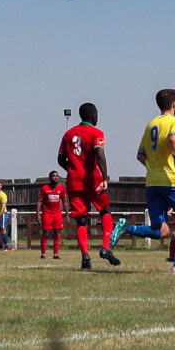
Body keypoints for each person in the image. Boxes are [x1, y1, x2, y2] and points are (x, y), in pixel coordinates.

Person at [109, 89, 175, 275]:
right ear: (174, 104)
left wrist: (153, 168)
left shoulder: (150, 125)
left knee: (162, 230)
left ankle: (127, 228)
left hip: (153, 182)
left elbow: (140, 155)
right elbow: (174, 139)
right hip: (171, 181)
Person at [58, 102, 120, 270]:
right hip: (92, 179)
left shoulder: (68, 134)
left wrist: (72, 169)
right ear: (93, 116)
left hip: (73, 181)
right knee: (105, 210)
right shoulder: (96, 132)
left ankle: (85, 256)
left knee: (81, 221)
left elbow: (60, 159)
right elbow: (100, 154)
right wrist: (105, 177)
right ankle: (105, 247)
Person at [36, 170, 70, 259]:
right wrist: (38, 214)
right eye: (54, 176)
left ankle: (56, 254)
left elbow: (65, 201)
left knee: (57, 232)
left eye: (57, 176)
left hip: (57, 214)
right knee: (45, 232)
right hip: (47, 213)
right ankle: (43, 253)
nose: (56, 177)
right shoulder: (44, 188)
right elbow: (40, 201)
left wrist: (67, 214)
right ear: (50, 178)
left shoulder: (61, 189)